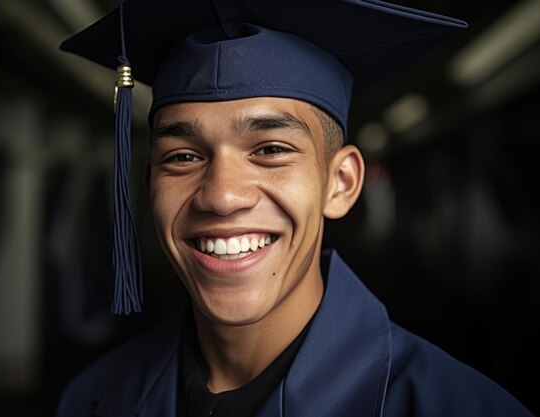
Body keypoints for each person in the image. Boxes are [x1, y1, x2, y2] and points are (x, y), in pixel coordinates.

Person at [56, 0, 535, 416]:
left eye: (270, 150)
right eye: (183, 157)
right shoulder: (91, 398)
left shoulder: (458, 407)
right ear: (149, 184)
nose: (221, 196)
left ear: (341, 184)